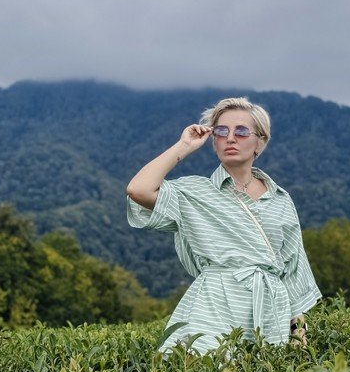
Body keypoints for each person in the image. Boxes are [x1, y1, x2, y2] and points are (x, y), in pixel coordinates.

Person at [126, 96, 322, 354]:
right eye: (221, 131)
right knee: (207, 369)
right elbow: (138, 189)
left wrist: (299, 336)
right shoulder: (194, 193)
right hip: (214, 305)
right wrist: (183, 146)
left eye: (241, 131)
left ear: (259, 141)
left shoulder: (279, 199)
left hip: (270, 310)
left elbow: (294, 269)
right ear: (213, 140)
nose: (230, 138)